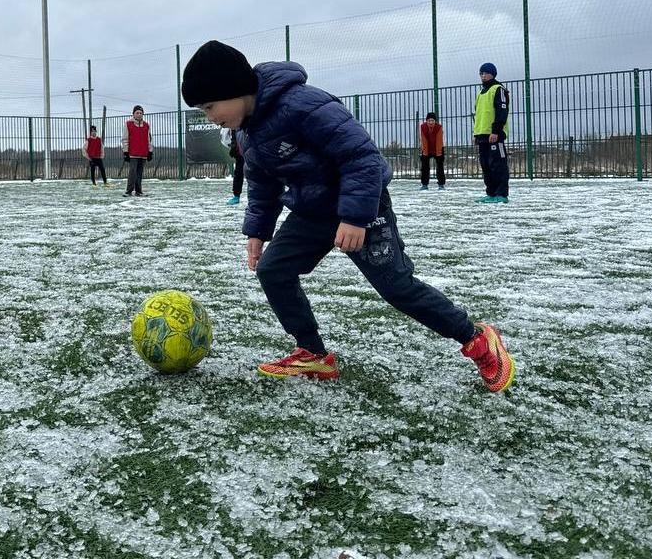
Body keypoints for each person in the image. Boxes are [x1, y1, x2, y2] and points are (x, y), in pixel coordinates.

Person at [181, 40, 515, 392]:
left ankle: (478, 338)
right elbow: (262, 186)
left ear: (234, 89)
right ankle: (312, 353)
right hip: (313, 212)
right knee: (273, 270)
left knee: (397, 287)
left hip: (361, 207)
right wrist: (256, 232)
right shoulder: (247, 134)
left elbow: (363, 158)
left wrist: (355, 217)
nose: (210, 117)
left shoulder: (302, 104)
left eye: (210, 106)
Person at [474, 62, 510, 204]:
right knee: (486, 166)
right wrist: (476, 135)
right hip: (482, 136)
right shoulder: (480, 93)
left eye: (486, 73)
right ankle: (491, 193)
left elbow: (502, 112)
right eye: (481, 73)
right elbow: (479, 115)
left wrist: (496, 131)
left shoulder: (498, 89)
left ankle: (501, 194)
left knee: (498, 165)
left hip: (494, 135)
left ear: (493, 74)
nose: (483, 76)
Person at [121, 105, 153, 197]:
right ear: (133, 114)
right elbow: (125, 139)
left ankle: (139, 191)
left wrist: (150, 151)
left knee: (139, 173)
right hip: (133, 153)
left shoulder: (146, 125)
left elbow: (149, 139)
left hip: (143, 153)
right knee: (132, 172)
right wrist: (125, 151)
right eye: (137, 113)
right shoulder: (128, 124)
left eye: (141, 113)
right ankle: (129, 191)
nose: (139, 114)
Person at [419, 111, 445, 190]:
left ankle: (441, 184)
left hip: (438, 148)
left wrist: (439, 153)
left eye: (432, 120)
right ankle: (424, 184)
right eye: (429, 120)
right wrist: (425, 152)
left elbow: (439, 140)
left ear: (435, 121)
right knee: (425, 167)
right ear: (426, 121)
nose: (431, 122)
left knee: (440, 167)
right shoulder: (423, 127)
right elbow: (424, 140)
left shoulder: (439, 127)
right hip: (426, 148)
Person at [227, 128, 245, 204]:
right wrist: (234, 146)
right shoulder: (235, 122)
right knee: (238, 172)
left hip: (254, 148)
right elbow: (234, 136)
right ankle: (236, 196)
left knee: (256, 173)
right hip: (240, 151)